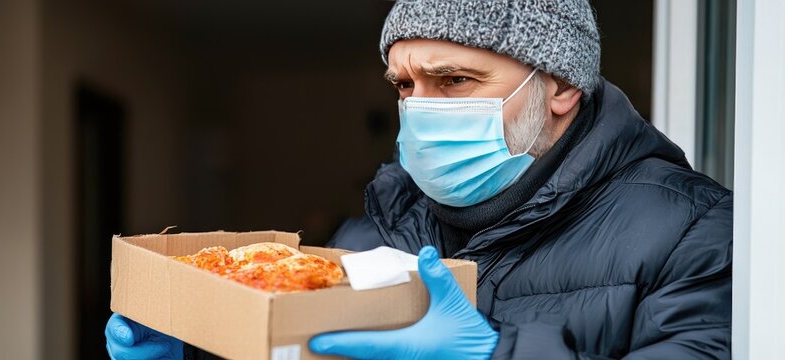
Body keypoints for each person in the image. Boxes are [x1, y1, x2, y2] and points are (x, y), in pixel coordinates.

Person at [106, 0, 733, 358]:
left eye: (455, 81)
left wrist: (490, 355)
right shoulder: (374, 232)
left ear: (561, 84)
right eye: (406, 85)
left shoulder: (694, 233)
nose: (421, 108)